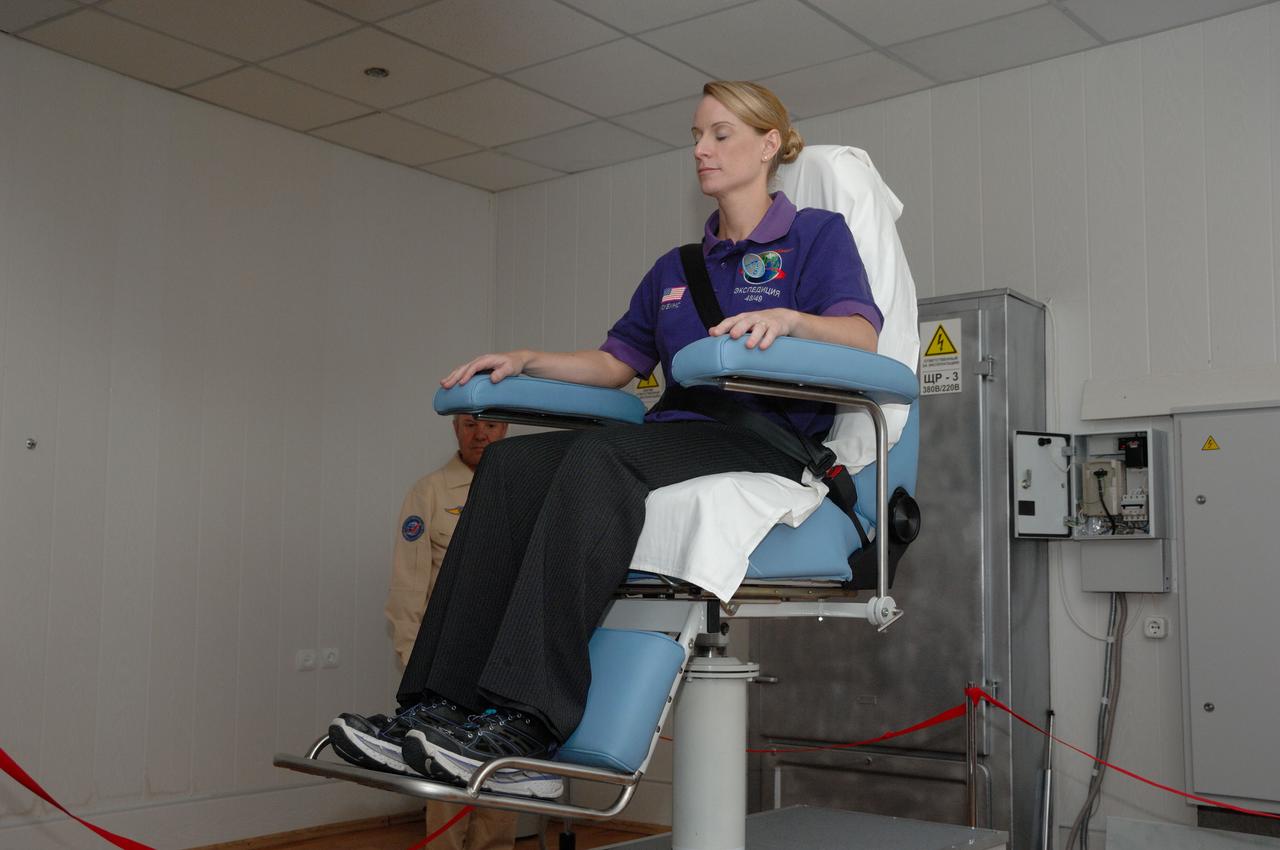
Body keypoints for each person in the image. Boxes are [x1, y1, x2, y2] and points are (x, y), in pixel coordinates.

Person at [329, 80, 883, 800]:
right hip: (676, 433)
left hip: (764, 441)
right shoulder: (676, 270)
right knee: (508, 463)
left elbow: (861, 333)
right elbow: (617, 365)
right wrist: (527, 359)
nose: (700, 149)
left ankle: (527, 720)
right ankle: (436, 707)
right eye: (696, 134)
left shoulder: (815, 235)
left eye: (720, 134)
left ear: (769, 144)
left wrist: (792, 320)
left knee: (599, 455)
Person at [334, 414, 517, 849]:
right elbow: (408, 587)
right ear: (456, 428)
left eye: (491, 424)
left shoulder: (520, 490)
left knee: (503, 771)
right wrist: (414, 661)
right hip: (446, 662)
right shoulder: (430, 492)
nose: (481, 434)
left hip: (506, 658)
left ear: (506, 429)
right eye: (471, 424)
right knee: (447, 773)